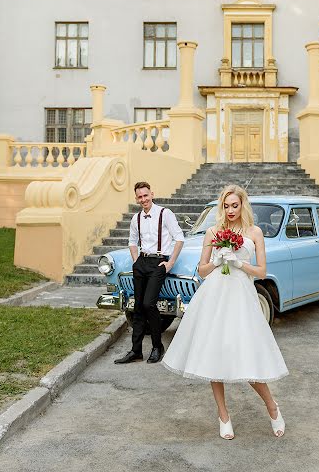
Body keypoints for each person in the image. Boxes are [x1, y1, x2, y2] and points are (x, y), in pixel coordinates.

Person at [162, 185, 288, 440]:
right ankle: (223, 416)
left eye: (235, 205)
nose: (230, 210)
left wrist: (240, 263)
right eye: (226, 206)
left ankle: (273, 408)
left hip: (242, 298)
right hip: (214, 297)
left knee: (249, 357)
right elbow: (202, 270)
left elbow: (262, 272)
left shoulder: (255, 232)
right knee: (213, 357)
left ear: (242, 206)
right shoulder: (213, 231)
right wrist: (218, 261)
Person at [114, 181, 184, 365]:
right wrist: (136, 260)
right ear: (136, 198)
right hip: (142, 262)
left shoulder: (164, 213)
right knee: (137, 307)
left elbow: (179, 238)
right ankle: (136, 351)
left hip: (159, 263)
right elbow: (132, 241)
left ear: (152, 194)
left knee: (148, 304)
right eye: (140, 196)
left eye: (146, 195)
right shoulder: (136, 218)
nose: (143, 199)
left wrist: (170, 263)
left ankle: (157, 347)